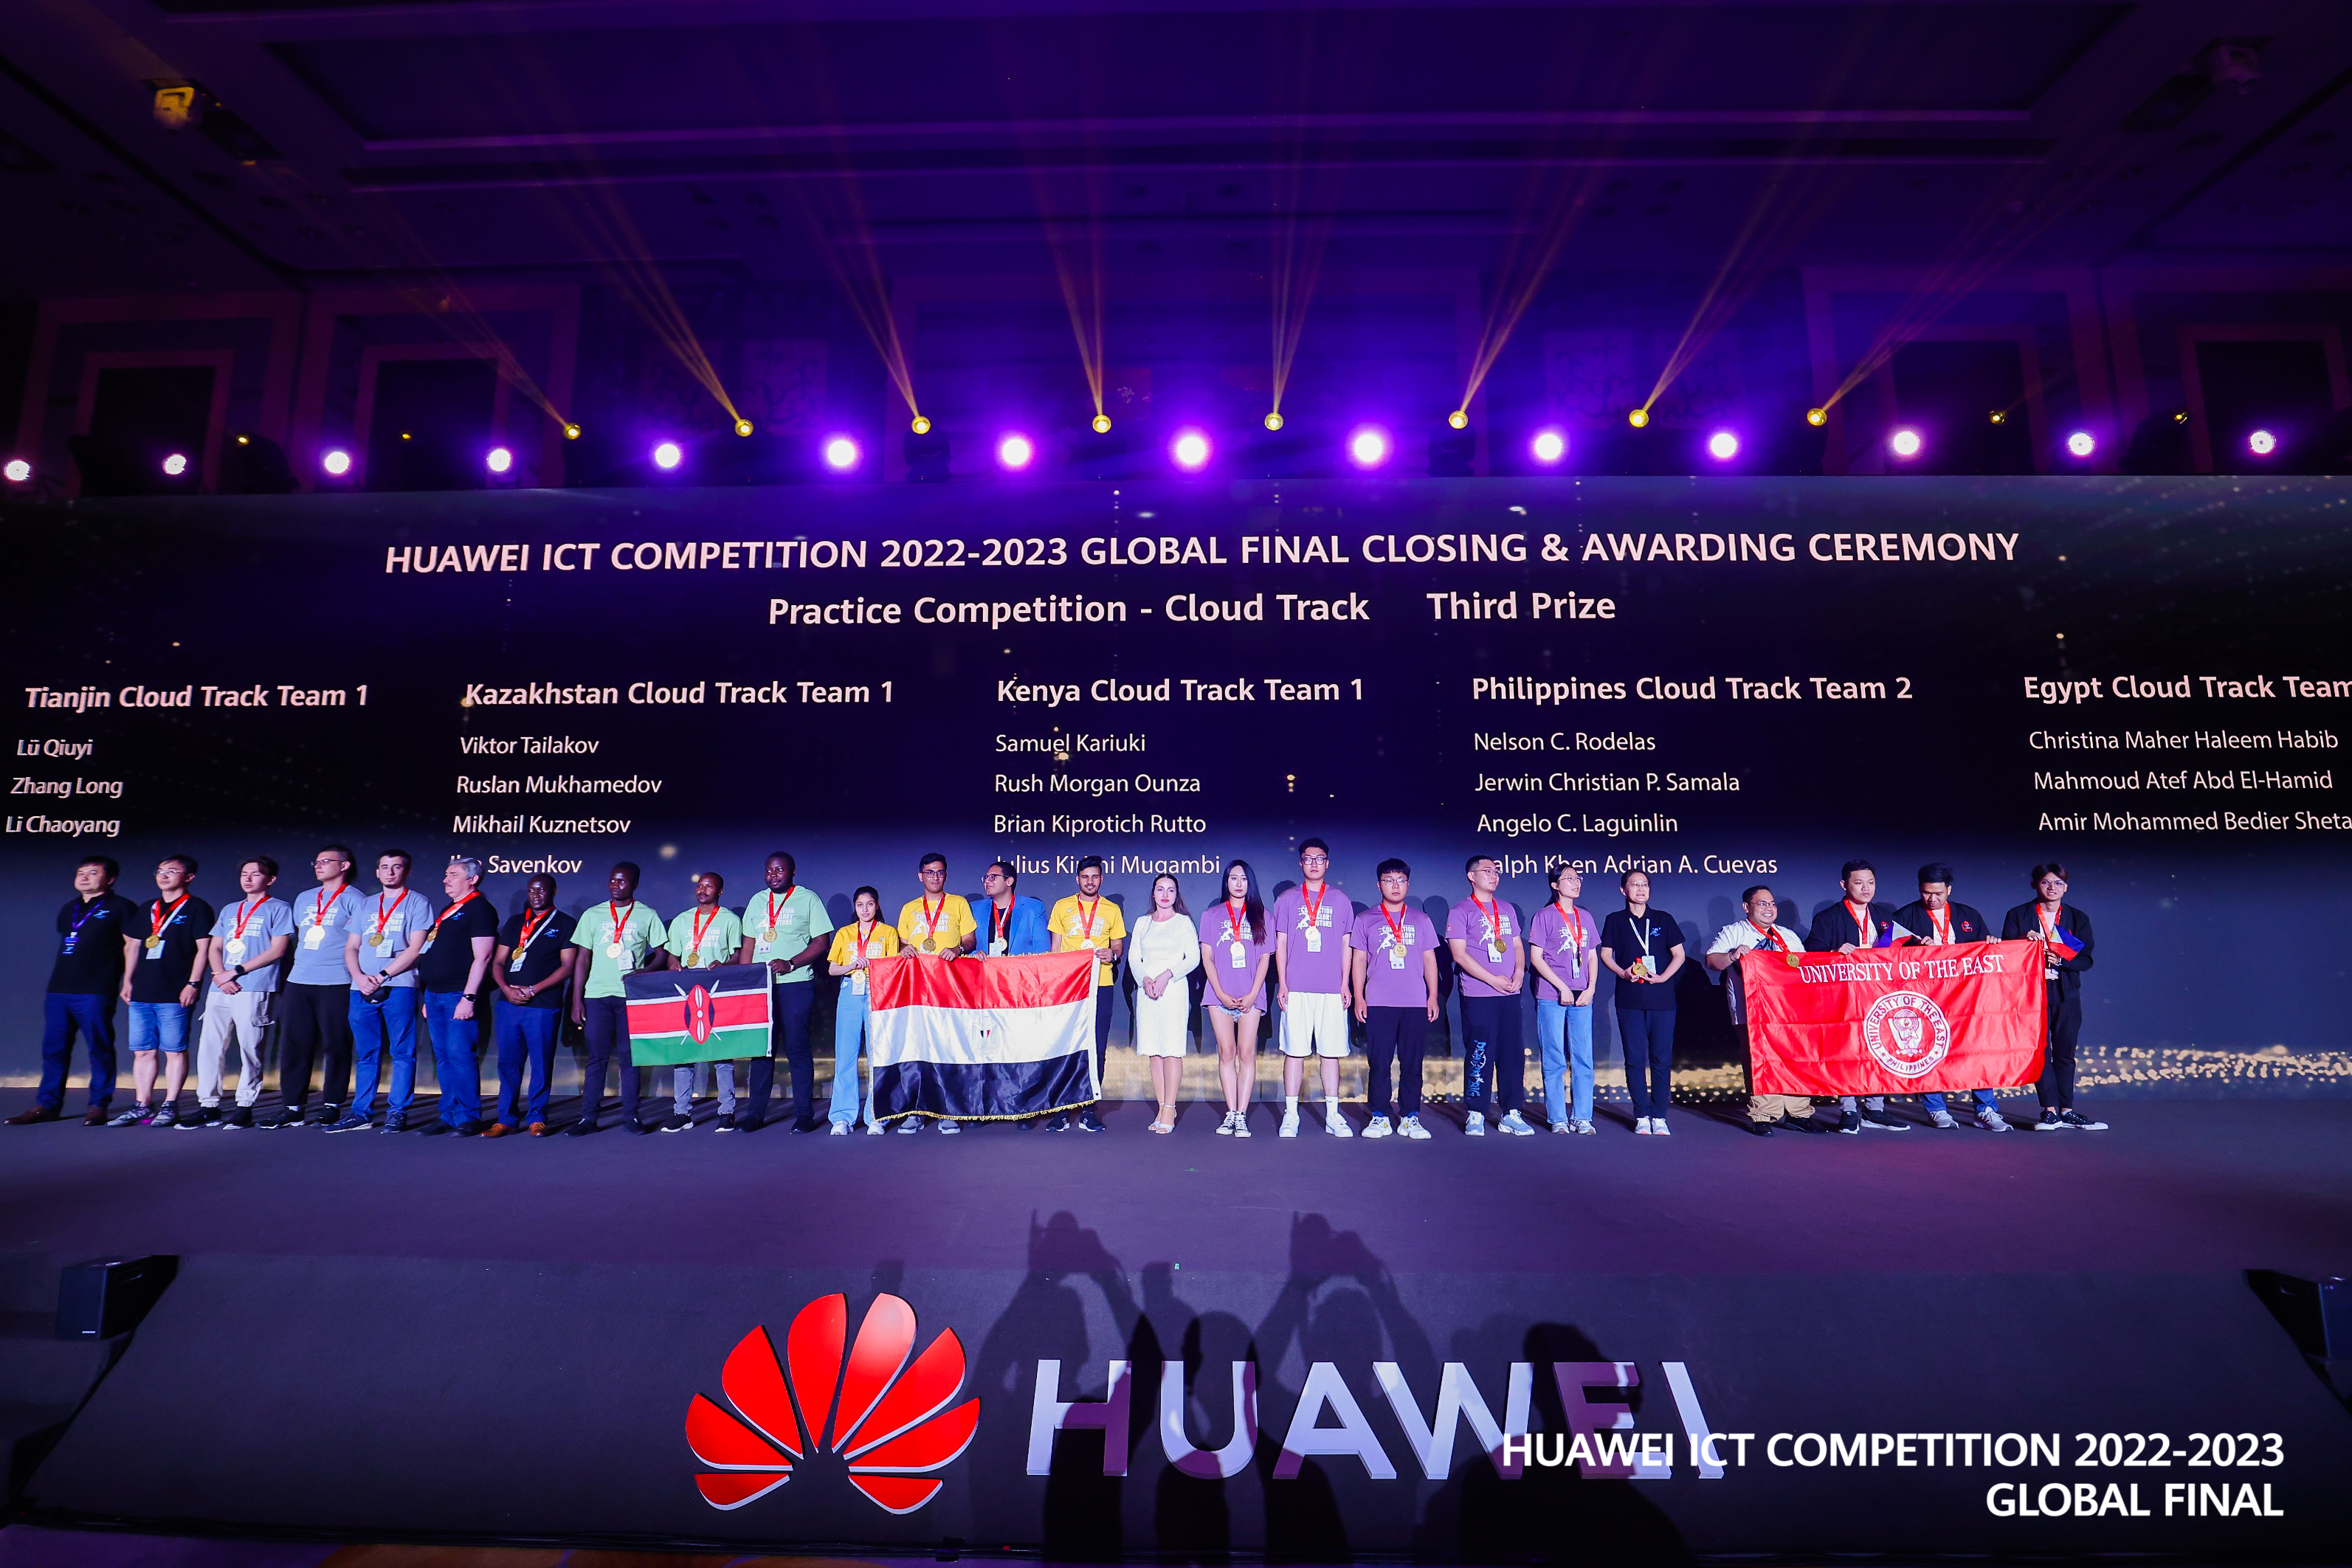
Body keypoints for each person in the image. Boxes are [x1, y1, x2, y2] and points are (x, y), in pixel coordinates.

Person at [10, 856, 140, 1125]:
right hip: (59, 990)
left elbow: (132, 945)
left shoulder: (121, 906)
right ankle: (46, 1105)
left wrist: (128, 981)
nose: (84, 876)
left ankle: (98, 1105)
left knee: (99, 1048)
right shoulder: (70, 907)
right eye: (81, 872)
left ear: (110, 879)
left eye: (92, 872)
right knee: (54, 1050)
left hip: (95, 989)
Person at [1802, 860, 1917, 1133]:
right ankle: (1849, 1110)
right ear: (1844, 885)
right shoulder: (1828, 917)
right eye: (1858, 883)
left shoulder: (1885, 916)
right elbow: (1811, 954)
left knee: (1880, 1049)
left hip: (1879, 997)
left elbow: (1902, 950)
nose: (1866, 888)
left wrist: (1921, 945)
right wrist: (1833, 953)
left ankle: (1875, 1110)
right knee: (1848, 1052)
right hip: (1844, 998)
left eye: (1871, 883)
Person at [1894, 864, 2011, 1131]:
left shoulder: (1968, 915)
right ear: (1919, 889)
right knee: (1928, 1050)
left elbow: (1984, 952)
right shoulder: (1903, 917)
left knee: (1976, 1049)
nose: (1932, 899)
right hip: (1925, 996)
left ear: (1949, 890)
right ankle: (1935, 1109)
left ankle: (1986, 1109)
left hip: (1966, 997)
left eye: (1938, 893)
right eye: (1926, 893)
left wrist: (1991, 944)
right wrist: (1914, 949)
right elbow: (1889, 957)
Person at [184, 857, 292, 1128]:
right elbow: (215, 947)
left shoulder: (279, 908)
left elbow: (278, 950)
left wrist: (236, 972)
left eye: (255, 874)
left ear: (270, 880)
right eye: (244, 873)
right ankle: (208, 1105)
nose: (248, 878)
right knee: (210, 1046)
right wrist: (221, 975)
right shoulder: (230, 909)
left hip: (254, 985)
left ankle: (245, 1105)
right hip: (221, 986)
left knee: (250, 1047)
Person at [107, 855, 215, 1126]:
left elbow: (204, 949)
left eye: (171, 871)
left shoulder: (197, 908)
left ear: (189, 877)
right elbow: (133, 946)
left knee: (174, 1050)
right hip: (142, 992)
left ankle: (170, 1105)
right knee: (142, 1051)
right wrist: (127, 981)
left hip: (175, 992)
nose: (163, 876)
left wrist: (193, 983)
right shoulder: (148, 907)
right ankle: (142, 1105)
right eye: (160, 871)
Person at [335, 850, 435, 1133]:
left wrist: (382, 976)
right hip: (361, 988)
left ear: (407, 871)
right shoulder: (365, 904)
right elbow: (351, 947)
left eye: (397, 867)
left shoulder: (417, 902)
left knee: (402, 1052)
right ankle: (361, 1112)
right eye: (385, 867)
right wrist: (359, 977)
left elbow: (416, 949)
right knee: (366, 1054)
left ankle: (397, 1112)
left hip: (399, 985)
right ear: (377, 872)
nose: (390, 872)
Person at [1703, 885, 1815, 1136]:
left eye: (1772, 904)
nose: (1769, 908)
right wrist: (1733, 955)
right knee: (1759, 1060)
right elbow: (1711, 961)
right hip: (1750, 1011)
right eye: (1762, 903)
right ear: (1747, 907)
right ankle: (1764, 1115)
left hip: (1788, 1012)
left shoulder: (1788, 936)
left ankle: (1798, 1113)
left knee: (1794, 1059)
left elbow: (1806, 968)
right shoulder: (1734, 932)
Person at [568, 861, 668, 1135]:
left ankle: (631, 1117)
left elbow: (662, 955)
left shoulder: (647, 914)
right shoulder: (593, 914)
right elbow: (582, 959)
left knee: (630, 1058)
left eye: (622, 881)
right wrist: (577, 999)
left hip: (630, 997)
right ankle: (588, 1118)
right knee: (596, 1059)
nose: (615, 885)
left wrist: (643, 972)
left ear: (635, 885)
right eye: (612, 880)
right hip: (597, 996)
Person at [736, 852, 832, 1133]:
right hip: (761, 987)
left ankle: (804, 1114)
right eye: (769, 870)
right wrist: (746, 982)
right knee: (761, 1051)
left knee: (797, 1049)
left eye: (779, 870)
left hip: (796, 984)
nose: (773, 875)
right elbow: (749, 944)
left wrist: (791, 963)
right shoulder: (757, 901)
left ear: (793, 872)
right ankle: (755, 1114)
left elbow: (821, 942)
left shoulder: (808, 898)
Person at [2002, 863, 2104, 1131]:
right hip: (2032, 993)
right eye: (2046, 882)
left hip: (2065, 992)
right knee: (2040, 1052)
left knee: (2065, 1053)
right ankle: (2049, 1111)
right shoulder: (2018, 915)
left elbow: (2086, 960)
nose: (2052, 888)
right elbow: (2006, 955)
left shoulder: (2077, 918)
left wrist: (2060, 960)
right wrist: (2023, 940)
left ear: (2066, 887)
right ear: (2035, 885)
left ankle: (2066, 1110)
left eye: (2058, 883)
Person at [407, 856, 500, 1136]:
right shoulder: (449, 909)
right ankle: (448, 1114)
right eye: (446, 874)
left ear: (472, 879)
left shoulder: (480, 909)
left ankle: (468, 1116)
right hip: (435, 996)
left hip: (459, 995)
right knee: (444, 1057)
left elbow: (483, 957)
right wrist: (427, 995)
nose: (445, 880)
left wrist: (469, 998)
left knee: (461, 1056)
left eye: (453, 875)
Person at [1348, 857, 1440, 1140]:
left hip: (1415, 1002)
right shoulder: (1365, 920)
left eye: (1401, 880)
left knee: (1412, 1063)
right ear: (1379, 885)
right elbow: (1358, 960)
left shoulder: (1421, 920)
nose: (1395, 885)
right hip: (1379, 1001)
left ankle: (1410, 1116)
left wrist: (1433, 996)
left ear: (1408, 884)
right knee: (1379, 1062)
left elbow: (1429, 959)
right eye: (1389, 880)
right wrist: (1359, 996)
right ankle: (1380, 1116)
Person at [1272, 837, 1356, 1138]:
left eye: (1320, 859)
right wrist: (1283, 983)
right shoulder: (1286, 899)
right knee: (1294, 1052)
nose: (1314, 864)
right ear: (1301, 863)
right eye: (1308, 859)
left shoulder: (1340, 899)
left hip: (1331, 988)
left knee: (1330, 1053)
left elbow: (1347, 944)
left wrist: (1345, 983)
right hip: (1296, 987)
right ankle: (1291, 1114)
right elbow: (1280, 944)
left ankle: (1332, 1115)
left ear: (1327, 863)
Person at [277, 845, 364, 1129]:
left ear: (344, 865)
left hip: (337, 980)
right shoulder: (304, 898)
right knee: (294, 1043)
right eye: (316, 861)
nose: (318, 865)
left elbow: (360, 942)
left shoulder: (356, 900)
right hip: (299, 980)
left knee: (336, 1044)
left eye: (326, 861)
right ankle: (293, 1106)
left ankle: (332, 1104)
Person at [1448, 853, 1533, 1137]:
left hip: (1509, 993)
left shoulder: (1506, 909)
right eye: (1487, 871)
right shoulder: (1461, 911)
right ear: (1471, 876)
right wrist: (1492, 980)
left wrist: (1519, 972)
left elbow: (1517, 946)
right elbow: (1459, 955)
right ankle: (1476, 1112)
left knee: (1512, 1054)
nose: (1494, 875)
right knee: (1480, 1052)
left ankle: (1511, 1112)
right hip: (1479, 994)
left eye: (1496, 871)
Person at [486, 873, 576, 1137]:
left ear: (554, 891)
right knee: (508, 1063)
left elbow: (568, 966)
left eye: (541, 890)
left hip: (543, 1005)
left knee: (541, 1063)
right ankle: (506, 1119)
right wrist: (506, 989)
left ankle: (537, 1117)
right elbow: (498, 961)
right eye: (531, 890)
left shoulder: (565, 923)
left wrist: (534, 989)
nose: (536, 895)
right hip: (509, 1004)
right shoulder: (515, 923)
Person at [1599, 870, 1686, 1136]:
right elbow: (1605, 954)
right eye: (1635, 885)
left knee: (1661, 1058)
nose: (1641, 889)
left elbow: (1679, 954)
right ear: (1623, 890)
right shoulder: (1615, 920)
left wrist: (1663, 978)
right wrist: (1622, 972)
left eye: (1645, 884)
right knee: (1635, 1058)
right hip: (1629, 998)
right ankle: (1641, 1115)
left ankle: (1659, 1115)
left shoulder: (1663, 919)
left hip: (1662, 999)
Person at [897, 853, 977, 1133]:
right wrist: (903, 949)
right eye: (930, 872)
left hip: (949, 988)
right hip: (917, 989)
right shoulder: (909, 908)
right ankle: (917, 1111)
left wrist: (958, 949)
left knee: (948, 1048)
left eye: (940, 872)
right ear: (920, 876)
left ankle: (949, 1110)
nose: (935, 877)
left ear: (946, 875)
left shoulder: (958, 903)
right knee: (917, 1049)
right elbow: (902, 945)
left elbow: (970, 940)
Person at [1046, 856, 1125, 1133]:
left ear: (1101, 879)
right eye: (1085, 877)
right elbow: (1055, 951)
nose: (1090, 881)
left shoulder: (1112, 909)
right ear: (1077, 879)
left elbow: (1118, 946)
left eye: (1095, 877)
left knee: (1097, 1047)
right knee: (1067, 1047)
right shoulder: (1062, 906)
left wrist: (1113, 954)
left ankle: (1090, 1109)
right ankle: (1063, 1110)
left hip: (1101, 984)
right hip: (1069, 986)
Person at [662, 871, 743, 1132]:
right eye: (700, 885)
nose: (703, 890)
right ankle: (682, 1113)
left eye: (709, 886)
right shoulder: (682, 920)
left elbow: (739, 956)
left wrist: (724, 964)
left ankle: (727, 1112)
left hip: (717, 993)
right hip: (686, 994)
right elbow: (672, 955)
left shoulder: (730, 920)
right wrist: (673, 963)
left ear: (720, 891)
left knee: (721, 1055)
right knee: (684, 1054)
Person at [1526, 862, 1602, 1136]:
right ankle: (1558, 1117)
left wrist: (1591, 987)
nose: (1576, 882)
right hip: (1552, 995)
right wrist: (1562, 987)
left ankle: (1582, 1117)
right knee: (1554, 1057)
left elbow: (1592, 955)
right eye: (1569, 878)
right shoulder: (1544, 916)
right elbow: (1536, 958)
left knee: (1583, 1058)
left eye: (1578, 878)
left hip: (1583, 995)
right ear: (1555, 885)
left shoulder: (1586, 917)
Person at [1199, 860, 1272, 1138]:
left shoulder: (1262, 915)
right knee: (1226, 1052)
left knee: (1247, 1053)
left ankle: (1242, 1114)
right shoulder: (1211, 915)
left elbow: (1265, 958)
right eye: (1233, 878)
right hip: (1219, 995)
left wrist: (1252, 994)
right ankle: (1231, 1112)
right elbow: (1207, 958)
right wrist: (1220, 993)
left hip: (1252, 994)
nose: (1239, 883)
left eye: (1243, 879)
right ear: (1226, 882)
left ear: (1250, 883)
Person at [1128, 874, 1201, 1133]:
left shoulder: (1183, 922)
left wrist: (1168, 974)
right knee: (1154, 1051)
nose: (1165, 895)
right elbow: (1134, 958)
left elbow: (1193, 958)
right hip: (1148, 994)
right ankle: (1161, 1107)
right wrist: (1145, 980)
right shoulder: (1142, 923)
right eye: (1161, 889)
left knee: (1171, 1050)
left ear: (1176, 894)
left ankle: (1170, 1108)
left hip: (1173, 992)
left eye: (1171, 890)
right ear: (1154, 893)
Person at [826, 887, 898, 1135]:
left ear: (877, 905)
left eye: (869, 904)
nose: (865, 909)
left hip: (878, 992)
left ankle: (877, 1116)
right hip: (850, 990)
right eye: (860, 905)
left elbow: (893, 967)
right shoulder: (845, 933)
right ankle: (842, 1117)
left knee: (877, 1056)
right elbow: (832, 969)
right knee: (845, 1054)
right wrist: (851, 965)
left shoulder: (888, 932)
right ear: (854, 907)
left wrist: (874, 968)